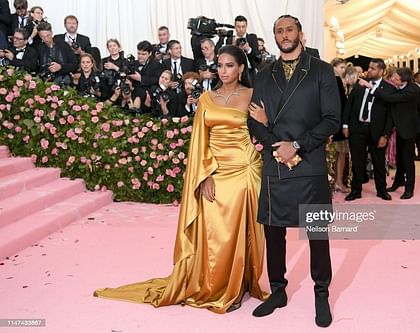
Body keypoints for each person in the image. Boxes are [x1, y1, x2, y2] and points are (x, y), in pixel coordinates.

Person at [94, 45, 267, 313]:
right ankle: (217, 286)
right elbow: (200, 142)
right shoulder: (207, 98)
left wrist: (265, 120)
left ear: (241, 68)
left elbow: (266, 130)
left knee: (242, 232)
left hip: (246, 171)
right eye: (219, 65)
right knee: (218, 233)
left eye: (229, 65)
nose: (223, 71)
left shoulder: (253, 95)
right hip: (216, 173)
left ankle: (239, 284)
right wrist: (205, 175)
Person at [248, 15, 340, 328]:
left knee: (317, 233)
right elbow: (253, 121)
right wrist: (280, 147)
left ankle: (321, 294)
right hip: (276, 163)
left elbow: (331, 118)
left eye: (289, 29)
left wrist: (297, 146)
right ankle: (277, 291)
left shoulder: (321, 70)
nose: (284, 35)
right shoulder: (263, 74)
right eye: (278, 31)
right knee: (274, 232)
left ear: (300, 33)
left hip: (309, 162)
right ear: (274, 36)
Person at [364, 67, 420, 199]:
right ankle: (398, 181)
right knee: (400, 158)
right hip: (399, 129)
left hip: (408, 130)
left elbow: (390, 98)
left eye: (395, 78)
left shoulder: (412, 90)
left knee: (408, 160)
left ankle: (409, 188)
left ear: (404, 80)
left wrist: (370, 87)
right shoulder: (398, 87)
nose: (392, 79)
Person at [343, 58, 394, 201]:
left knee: (378, 162)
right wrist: (345, 125)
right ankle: (356, 191)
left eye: (373, 68)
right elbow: (349, 104)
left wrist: (386, 135)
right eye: (369, 67)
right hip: (357, 129)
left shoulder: (388, 89)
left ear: (381, 71)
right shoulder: (360, 84)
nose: (369, 70)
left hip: (377, 132)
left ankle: (381, 190)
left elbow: (390, 116)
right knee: (357, 162)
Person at [330, 57, 349, 193]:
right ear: (334, 67)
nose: (343, 70)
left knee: (337, 154)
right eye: (341, 67)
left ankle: (336, 181)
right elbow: (341, 104)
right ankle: (338, 182)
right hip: (338, 123)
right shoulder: (336, 81)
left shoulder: (333, 81)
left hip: (333, 122)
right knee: (340, 154)